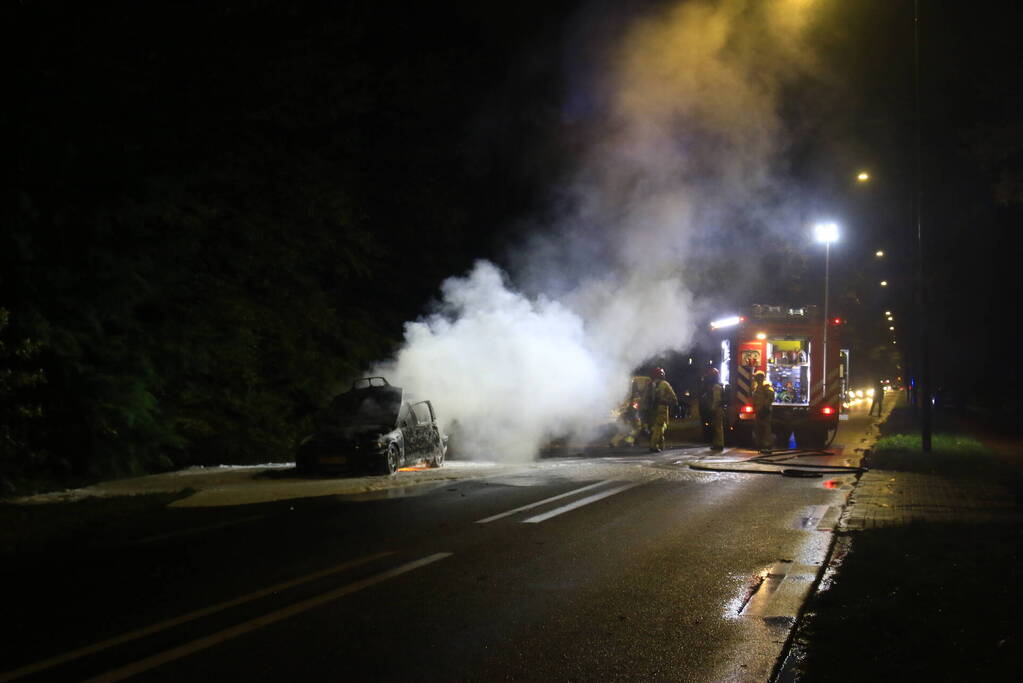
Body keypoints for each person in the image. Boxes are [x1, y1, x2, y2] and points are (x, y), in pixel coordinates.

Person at [648, 367, 678, 452]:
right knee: (659, 427)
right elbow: (673, 397)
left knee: (658, 426)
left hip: (652, 409)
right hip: (662, 408)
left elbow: (645, 397)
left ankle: (661, 445)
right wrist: (673, 403)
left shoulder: (650, 384)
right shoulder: (664, 384)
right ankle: (653, 446)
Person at [752, 370, 775, 453]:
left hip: (764, 410)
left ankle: (766, 446)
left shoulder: (766, 385)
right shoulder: (758, 386)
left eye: (756, 377)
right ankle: (762, 445)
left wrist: (765, 407)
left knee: (765, 429)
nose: (755, 378)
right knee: (759, 428)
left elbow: (771, 397)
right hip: (759, 410)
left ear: (760, 377)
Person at [703, 367, 725, 451]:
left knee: (718, 427)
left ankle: (719, 444)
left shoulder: (716, 387)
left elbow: (717, 399)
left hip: (717, 409)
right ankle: (716, 443)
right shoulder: (715, 386)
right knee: (716, 427)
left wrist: (712, 409)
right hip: (717, 409)